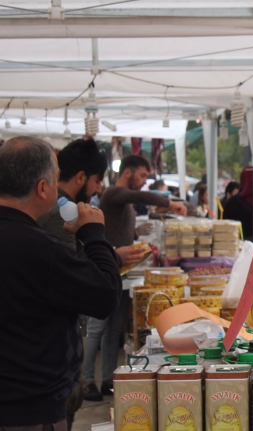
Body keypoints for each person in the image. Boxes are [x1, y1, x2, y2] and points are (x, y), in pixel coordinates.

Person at [0, 136, 121, 429]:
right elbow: (105, 296)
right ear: (42, 188)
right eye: (55, 180)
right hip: (28, 407)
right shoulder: (39, 248)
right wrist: (93, 235)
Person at [84, 155, 185, 401]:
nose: (143, 182)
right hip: (103, 270)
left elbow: (118, 228)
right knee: (96, 328)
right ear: (127, 173)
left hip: (122, 274)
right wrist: (168, 203)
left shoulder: (122, 201)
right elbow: (140, 197)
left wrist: (138, 233)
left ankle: (108, 378)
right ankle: (87, 380)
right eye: (142, 176)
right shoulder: (114, 193)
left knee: (113, 329)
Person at [35, 138, 107, 430]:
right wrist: (99, 243)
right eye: (98, 180)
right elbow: (72, 280)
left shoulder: (61, 209)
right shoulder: (62, 212)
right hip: (52, 347)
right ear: (81, 177)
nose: (101, 188)